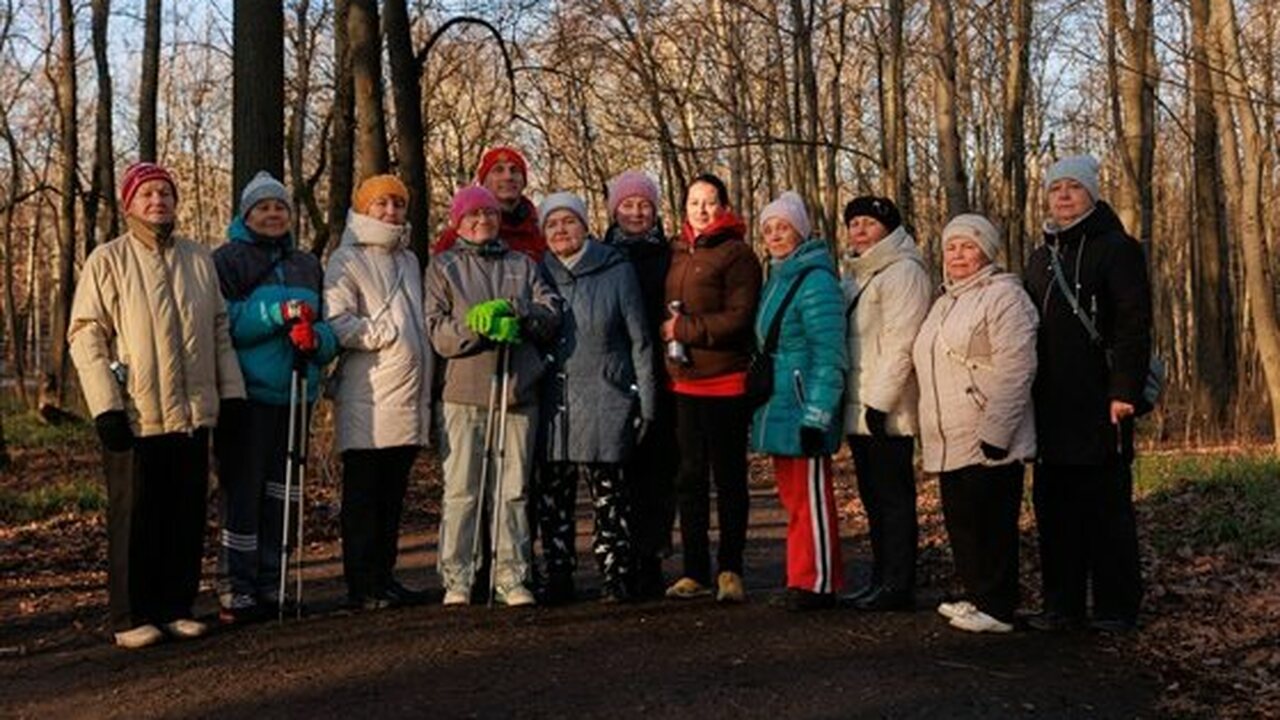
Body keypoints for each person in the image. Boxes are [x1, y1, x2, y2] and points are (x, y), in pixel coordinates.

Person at [67, 162, 246, 648]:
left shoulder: (197, 259)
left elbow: (218, 332)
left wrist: (231, 396)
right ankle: (130, 617)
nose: (157, 201)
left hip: (190, 413)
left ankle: (175, 606)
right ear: (129, 203)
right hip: (135, 413)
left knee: (184, 513)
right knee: (136, 514)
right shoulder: (108, 260)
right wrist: (105, 406)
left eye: (165, 192)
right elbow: (86, 335)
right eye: (147, 194)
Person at [1023, 155, 1152, 633]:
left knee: (1106, 510)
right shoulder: (1041, 258)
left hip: (1102, 403)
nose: (1063, 196)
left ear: (1092, 193)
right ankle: (1063, 605)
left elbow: (1134, 324)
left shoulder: (1117, 249)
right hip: (1050, 405)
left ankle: (1117, 607)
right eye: (1056, 189)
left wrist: (1125, 392)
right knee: (1055, 509)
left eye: (1074, 187)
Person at [425, 185, 560, 607]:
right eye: (472, 217)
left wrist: (521, 315)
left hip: (518, 390)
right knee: (462, 491)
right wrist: (477, 327)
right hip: (463, 393)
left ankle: (512, 575)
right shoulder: (443, 267)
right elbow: (438, 332)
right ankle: (459, 576)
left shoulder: (523, 264)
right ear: (458, 222)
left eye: (488, 215)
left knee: (514, 489)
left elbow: (552, 312)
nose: (482, 222)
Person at [213, 171, 339, 623]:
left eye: (280, 207)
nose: (272, 214)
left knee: (282, 492)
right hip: (247, 395)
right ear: (246, 214)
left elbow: (329, 326)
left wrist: (317, 341)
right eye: (263, 207)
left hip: (295, 392)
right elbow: (221, 321)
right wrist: (274, 313)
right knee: (242, 489)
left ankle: (274, 578)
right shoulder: (227, 260)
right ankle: (236, 585)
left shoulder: (307, 263)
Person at [913, 214, 1039, 633]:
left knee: (992, 523)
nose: (958, 255)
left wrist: (998, 432)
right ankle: (979, 597)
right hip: (948, 434)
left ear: (987, 250)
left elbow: (1017, 366)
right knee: (963, 523)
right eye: (951, 247)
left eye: (968, 246)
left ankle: (999, 607)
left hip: (987, 432)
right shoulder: (944, 301)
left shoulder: (1005, 297)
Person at [536, 192, 654, 604]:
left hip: (607, 393)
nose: (561, 231)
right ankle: (559, 573)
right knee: (554, 497)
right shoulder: (537, 272)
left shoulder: (615, 269)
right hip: (554, 399)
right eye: (552, 224)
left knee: (610, 496)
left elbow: (640, 339)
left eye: (568, 222)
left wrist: (646, 401)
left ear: (585, 226)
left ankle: (615, 573)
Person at [324, 174, 434, 610]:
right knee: (364, 497)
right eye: (381, 204)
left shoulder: (408, 260)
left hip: (407, 395)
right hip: (367, 397)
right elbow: (337, 321)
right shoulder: (346, 259)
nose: (391, 212)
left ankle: (384, 577)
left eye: (398, 204)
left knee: (392, 496)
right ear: (365, 209)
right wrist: (384, 334)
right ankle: (361, 584)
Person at [661, 173, 762, 603]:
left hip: (726, 382)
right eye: (694, 202)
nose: (701, 209)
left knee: (729, 479)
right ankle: (695, 570)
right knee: (689, 480)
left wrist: (685, 328)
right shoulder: (676, 251)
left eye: (710, 201)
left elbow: (740, 317)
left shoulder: (737, 254)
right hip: (683, 384)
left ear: (723, 206)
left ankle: (731, 569)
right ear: (684, 207)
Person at [749, 192, 847, 611]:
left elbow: (830, 354)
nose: (774, 235)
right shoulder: (779, 277)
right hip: (782, 400)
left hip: (804, 402)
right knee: (793, 498)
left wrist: (817, 414)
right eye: (768, 229)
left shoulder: (816, 281)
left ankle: (819, 581)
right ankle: (800, 576)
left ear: (800, 231)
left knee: (812, 498)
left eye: (782, 227)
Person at [840, 195, 931, 611]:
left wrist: (878, 403)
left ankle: (898, 582)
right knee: (873, 497)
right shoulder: (856, 275)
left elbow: (902, 342)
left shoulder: (903, 272)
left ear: (889, 228)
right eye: (853, 223)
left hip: (886, 408)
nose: (859, 231)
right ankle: (880, 577)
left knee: (893, 498)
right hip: (860, 407)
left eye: (868, 223)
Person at [601, 170, 676, 598]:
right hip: (613, 376)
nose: (635, 212)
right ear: (614, 211)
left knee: (657, 471)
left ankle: (651, 557)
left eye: (644, 205)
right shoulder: (602, 256)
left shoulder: (670, 255)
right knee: (617, 473)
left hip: (662, 375)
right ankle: (621, 559)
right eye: (627, 205)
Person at [431, 146, 546, 261]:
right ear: (484, 182)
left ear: (524, 182)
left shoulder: (541, 229)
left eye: (514, 170)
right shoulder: (458, 235)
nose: (508, 177)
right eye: (498, 170)